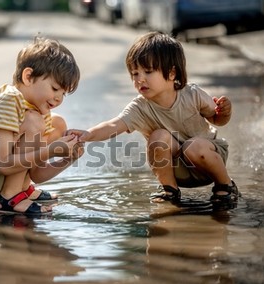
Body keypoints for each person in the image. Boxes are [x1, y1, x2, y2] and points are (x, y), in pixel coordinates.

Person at [69, 31, 239, 206]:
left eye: (148, 72)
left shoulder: (192, 94)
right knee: (158, 137)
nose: (140, 79)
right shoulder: (140, 107)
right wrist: (87, 135)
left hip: (208, 159)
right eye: (135, 74)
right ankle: (170, 189)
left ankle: (225, 184)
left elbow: (217, 120)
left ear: (172, 73)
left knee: (193, 147)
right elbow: (114, 124)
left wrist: (225, 112)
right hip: (177, 169)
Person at [0, 36, 83, 215]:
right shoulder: (9, 100)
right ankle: (9, 197)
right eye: (55, 88)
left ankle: (23, 189)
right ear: (28, 77)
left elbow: (37, 173)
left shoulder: (39, 111)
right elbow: (3, 164)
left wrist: (68, 158)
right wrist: (51, 150)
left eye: (64, 94)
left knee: (58, 123)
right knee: (34, 121)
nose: (59, 98)